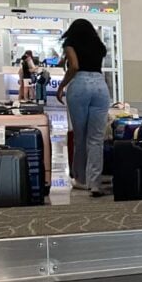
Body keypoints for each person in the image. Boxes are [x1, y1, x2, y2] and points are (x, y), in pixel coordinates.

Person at [56, 20, 110, 196]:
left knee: (80, 137)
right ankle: (95, 183)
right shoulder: (99, 46)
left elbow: (74, 66)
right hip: (100, 86)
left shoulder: (70, 44)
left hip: (80, 86)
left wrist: (61, 86)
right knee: (96, 138)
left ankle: (80, 180)